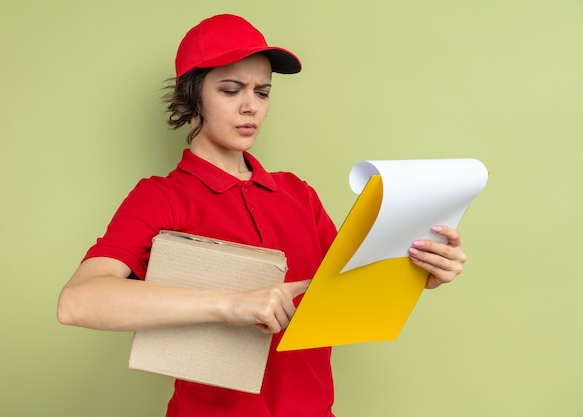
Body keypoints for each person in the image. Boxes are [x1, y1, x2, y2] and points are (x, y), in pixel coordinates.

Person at [57, 14, 467, 417]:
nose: (251, 107)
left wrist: (419, 272)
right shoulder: (162, 197)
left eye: (263, 92)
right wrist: (229, 305)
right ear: (194, 94)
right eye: (231, 90)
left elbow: (345, 295)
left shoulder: (297, 194)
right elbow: (78, 303)